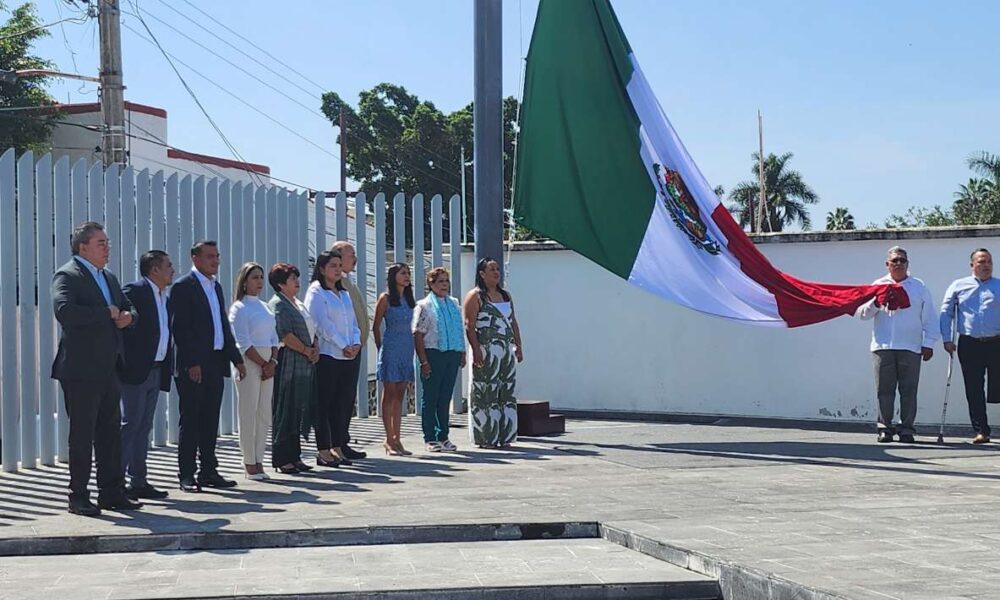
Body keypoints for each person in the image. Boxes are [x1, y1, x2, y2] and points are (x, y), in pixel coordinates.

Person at [51, 221, 141, 516]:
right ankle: (78, 496)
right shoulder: (68, 274)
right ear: (83, 247)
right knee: (82, 435)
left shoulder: (109, 277)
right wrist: (106, 313)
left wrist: (129, 317)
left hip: (108, 368)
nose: (107, 248)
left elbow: (129, 308)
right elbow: (64, 311)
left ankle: (111, 492)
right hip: (80, 370)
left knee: (110, 433)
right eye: (101, 243)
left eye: (108, 242)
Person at [169, 241, 246, 492]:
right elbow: (180, 328)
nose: (215, 261)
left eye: (217, 256)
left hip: (215, 361)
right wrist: (192, 362)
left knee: (210, 420)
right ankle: (187, 474)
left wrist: (236, 358)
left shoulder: (216, 286)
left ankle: (209, 470)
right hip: (194, 364)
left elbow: (222, 324)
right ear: (195, 258)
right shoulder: (183, 287)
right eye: (210, 256)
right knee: (191, 419)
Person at [857, 247, 938, 443]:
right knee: (884, 390)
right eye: (895, 261)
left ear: (908, 264)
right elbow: (862, 314)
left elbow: (930, 318)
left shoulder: (919, 287)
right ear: (887, 264)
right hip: (883, 346)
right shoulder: (878, 285)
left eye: (902, 260)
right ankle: (885, 427)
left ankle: (907, 429)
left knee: (909, 390)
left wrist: (928, 343)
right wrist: (877, 302)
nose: (899, 264)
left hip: (910, 346)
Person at [119, 250, 175, 500]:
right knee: (129, 426)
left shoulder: (164, 295)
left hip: (157, 369)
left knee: (144, 427)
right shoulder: (136, 290)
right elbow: (125, 326)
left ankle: (138, 481)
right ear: (154, 270)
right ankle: (115, 481)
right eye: (168, 266)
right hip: (136, 372)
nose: (172, 270)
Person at [305, 250, 362, 467]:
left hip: (348, 356)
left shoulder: (344, 293)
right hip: (329, 354)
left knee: (342, 403)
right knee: (325, 404)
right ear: (321, 269)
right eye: (333, 266)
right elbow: (321, 324)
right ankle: (323, 449)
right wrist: (342, 344)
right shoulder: (317, 292)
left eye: (340, 265)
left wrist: (355, 343)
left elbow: (353, 322)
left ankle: (338, 446)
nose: (338, 270)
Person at [941, 248, 1000, 444]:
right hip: (969, 343)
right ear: (972, 265)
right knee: (974, 388)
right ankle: (981, 430)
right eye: (982, 261)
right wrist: (947, 339)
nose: (987, 265)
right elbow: (946, 312)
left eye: (989, 261)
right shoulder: (959, 286)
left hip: (996, 342)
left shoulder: (999, 286)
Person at [464, 257, 524, 449]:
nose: (496, 272)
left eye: (498, 269)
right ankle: (485, 437)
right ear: (482, 274)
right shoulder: (475, 296)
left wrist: (519, 346)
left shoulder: (505, 295)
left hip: (505, 352)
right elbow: (469, 325)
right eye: (492, 269)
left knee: (505, 393)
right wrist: (476, 350)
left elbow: (513, 321)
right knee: (485, 393)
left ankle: (506, 435)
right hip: (485, 351)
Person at [228, 263, 279, 481]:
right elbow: (243, 341)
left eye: (260, 277)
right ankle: (249, 461)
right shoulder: (239, 308)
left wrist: (273, 361)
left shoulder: (265, 306)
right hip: (249, 361)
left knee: (264, 412)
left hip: (268, 360)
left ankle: (259, 458)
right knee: (248, 411)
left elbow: (274, 337)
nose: (259, 282)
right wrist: (262, 363)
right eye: (254, 278)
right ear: (244, 281)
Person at [268, 263, 318, 474]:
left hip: (305, 363)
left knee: (298, 408)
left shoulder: (297, 302)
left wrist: (315, 347)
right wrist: (307, 350)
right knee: (285, 407)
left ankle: (295, 455)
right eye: (292, 279)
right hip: (289, 361)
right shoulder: (278, 304)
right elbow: (285, 335)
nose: (297, 282)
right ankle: (282, 458)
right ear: (280, 284)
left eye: (297, 278)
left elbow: (311, 327)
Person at [413, 267, 466, 452]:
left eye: (446, 281)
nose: (444, 285)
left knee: (445, 397)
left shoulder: (454, 303)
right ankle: (430, 437)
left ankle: (443, 435)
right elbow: (418, 334)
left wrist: (462, 351)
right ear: (431, 284)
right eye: (440, 281)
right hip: (433, 353)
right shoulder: (424, 306)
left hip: (451, 353)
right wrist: (424, 361)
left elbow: (459, 328)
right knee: (431, 396)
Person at [330, 240, 369, 460]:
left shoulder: (347, 283)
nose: (354, 258)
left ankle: (342, 440)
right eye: (350, 254)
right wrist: (347, 344)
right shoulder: (334, 285)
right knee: (338, 399)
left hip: (353, 349)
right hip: (340, 351)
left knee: (347, 399)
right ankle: (336, 443)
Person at [372, 263, 416, 456]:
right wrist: (381, 346)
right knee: (389, 392)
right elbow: (375, 325)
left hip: (407, 348)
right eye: (403, 273)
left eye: (408, 273)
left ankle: (397, 438)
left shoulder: (409, 299)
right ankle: (388, 438)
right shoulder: (386, 298)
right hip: (391, 347)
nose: (407, 277)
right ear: (393, 276)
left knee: (400, 393)